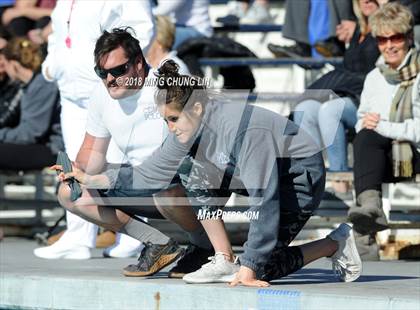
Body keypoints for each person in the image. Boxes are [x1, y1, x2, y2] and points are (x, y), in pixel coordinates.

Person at [57, 59, 363, 287]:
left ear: (197, 110)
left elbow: (265, 199)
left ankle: (334, 243)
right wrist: (94, 179)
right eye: (166, 120)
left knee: (262, 268)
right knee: (194, 171)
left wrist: (252, 265)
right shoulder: (189, 128)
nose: (170, 128)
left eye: (174, 119)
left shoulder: (242, 129)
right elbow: (153, 171)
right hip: (251, 175)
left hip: (297, 181)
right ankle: (223, 258)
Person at [33, 0, 156, 260]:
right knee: (77, 165)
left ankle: (135, 236)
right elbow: (58, 34)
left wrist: (116, 75)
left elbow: (141, 31)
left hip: (106, 89)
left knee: (118, 162)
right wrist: (51, 65)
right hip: (71, 94)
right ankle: (78, 237)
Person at [349, 3, 420, 253]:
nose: (389, 45)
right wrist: (368, 124)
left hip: (415, 153)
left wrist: (383, 126)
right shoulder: (374, 77)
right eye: (382, 39)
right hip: (384, 158)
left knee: (372, 134)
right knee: (365, 136)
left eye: (396, 38)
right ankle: (370, 210)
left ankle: (363, 236)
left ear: (409, 37)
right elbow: (361, 119)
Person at [294, 0, 381, 200]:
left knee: (330, 110)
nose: (367, 0)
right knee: (305, 108)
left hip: (370, 101)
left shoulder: (388, 28)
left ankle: (341, 184)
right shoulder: (359, 29)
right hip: (350, 95)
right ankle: (309, 183)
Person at [0, 37, 63, 170]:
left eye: (5, 64)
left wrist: (2, 134)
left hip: (54, 151)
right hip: (44, 146)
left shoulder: (42, 85)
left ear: (14, 64)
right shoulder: (33, 85)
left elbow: (29, 133)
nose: (4, 70)